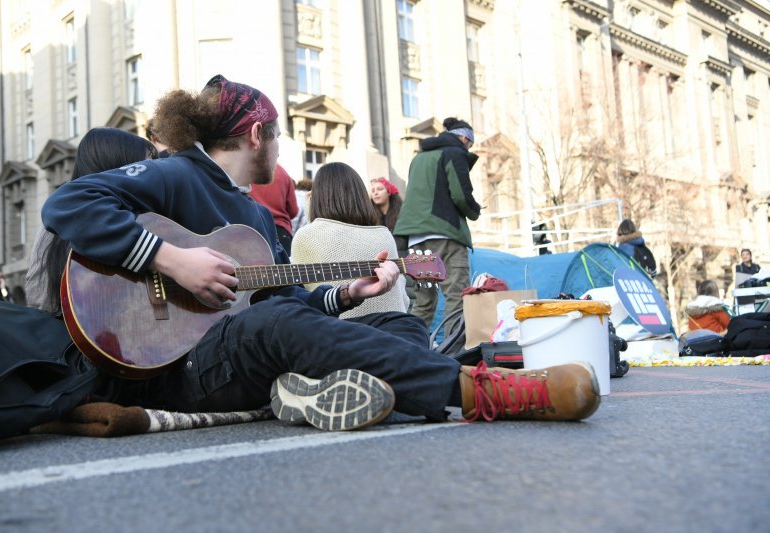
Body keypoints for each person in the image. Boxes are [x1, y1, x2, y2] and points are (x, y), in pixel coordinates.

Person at [40, 74, 599, 433]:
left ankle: (310, 394)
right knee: (272, 322)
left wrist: (345, 293)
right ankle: (479, 392)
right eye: (278, 137)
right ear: (258, 134)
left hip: (241, 353)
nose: (281, 149)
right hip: (172, 367)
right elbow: (68, 204)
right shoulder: (176, 175)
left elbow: (287, 299)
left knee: (395, 324)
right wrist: (171, 259)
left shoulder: (258, 217)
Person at [25, 127, 159, 314]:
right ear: (120, 167)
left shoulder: (54, 226)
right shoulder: (128, 220)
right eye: (144, 168)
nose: (155, 177)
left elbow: (37, 297)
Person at [393, 117, 482, 328]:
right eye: (470, 143)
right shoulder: (455, 153)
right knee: (457, 296)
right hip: (446, 234)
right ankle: (455, 353)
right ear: (463, 138)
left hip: (416, 239)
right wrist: (475, 210)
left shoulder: (419, 157)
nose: (469, 148)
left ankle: (414, 348)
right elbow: (461, 195)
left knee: (423, 301)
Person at [291, 162, 409, 318]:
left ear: (316, 198)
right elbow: (404, 300)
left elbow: (302, 299)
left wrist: (310, 209)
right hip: (392, 333)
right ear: (361, 196)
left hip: (338, 336)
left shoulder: (305, 236)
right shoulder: (384, 235)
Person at [249, 164, 299, 255]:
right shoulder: (283, 173)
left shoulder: (247, 168)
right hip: (280, 230)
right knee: (284, 268)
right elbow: (293, 211)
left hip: (254, 228)